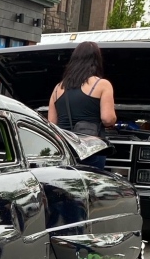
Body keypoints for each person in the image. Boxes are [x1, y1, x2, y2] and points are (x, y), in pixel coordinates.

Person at [47, 41, 116, 169]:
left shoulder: (58, 88)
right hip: (92, 149)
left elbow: (51, 123)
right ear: (97, 60)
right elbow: (107, 118)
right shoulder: (102, 84)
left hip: (65, 148)